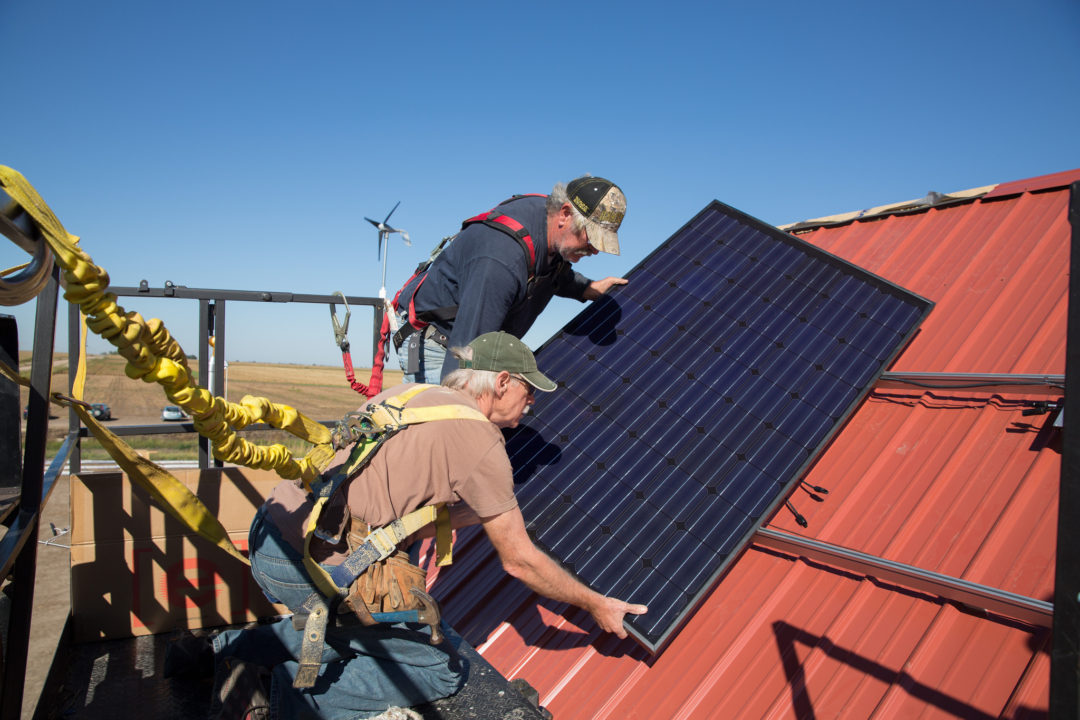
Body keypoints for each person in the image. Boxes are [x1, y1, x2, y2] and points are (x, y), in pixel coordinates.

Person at [211, 332, 647, 719]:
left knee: (346, 633)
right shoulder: (482, 443)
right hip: (311, 566)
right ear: (501, 383)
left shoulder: (412, 395)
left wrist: (473, 511)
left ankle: (233, 649)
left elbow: (387, 503)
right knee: (439, 671)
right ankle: (297, 696)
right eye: (528, 390)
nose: (532, 402)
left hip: (271, 530)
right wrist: (595, 604)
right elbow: (520, 563)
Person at [393, 176, 629, 382]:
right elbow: (465, 355)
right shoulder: (501, 260)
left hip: (471, 337)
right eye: (591, 238)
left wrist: (585, 288)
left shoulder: (549, 224)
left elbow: (552, 270)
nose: (595, 250)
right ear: (565, 214)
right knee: (447, 423)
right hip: (442, 347)